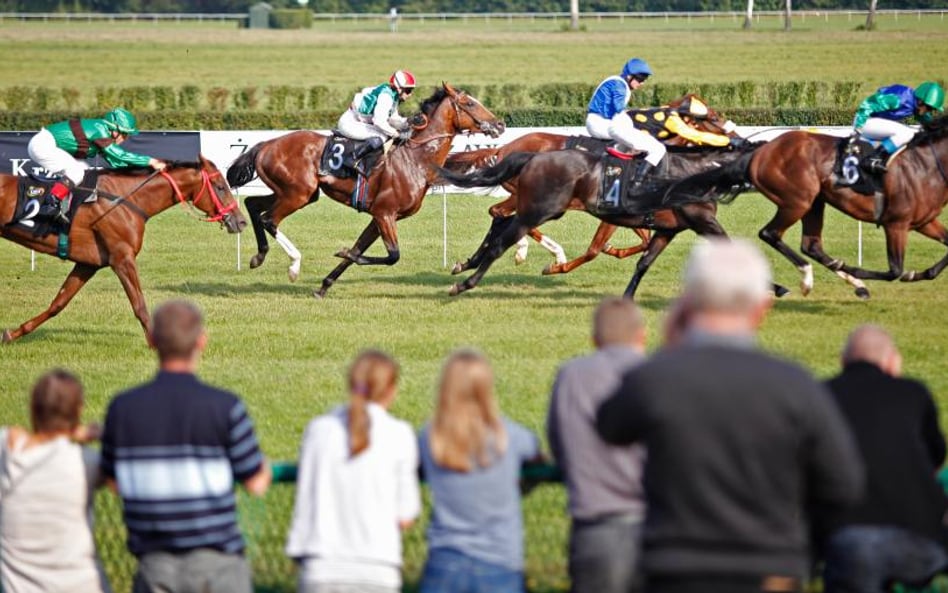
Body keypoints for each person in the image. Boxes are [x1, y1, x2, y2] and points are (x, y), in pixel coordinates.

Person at [596, 238, 865, 593]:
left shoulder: (656, 378)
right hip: (770, 568)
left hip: (675, 567)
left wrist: (673, 347)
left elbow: (609, 426)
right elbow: (844, 483)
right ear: (761, 309)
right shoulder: (795, 385)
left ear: (687, 305)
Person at [100, 299, 271, 593]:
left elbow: (113, 483)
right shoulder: (225, 407)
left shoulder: (122, 409)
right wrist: (264, 466)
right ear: (201, 342)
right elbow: (256, 483)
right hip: (219, 570)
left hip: (155, 569)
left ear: (151, 340)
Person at [820, 324, 948, 593]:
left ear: (843, 362)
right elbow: (935, 456)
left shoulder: (822, 395)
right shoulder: (913, 392)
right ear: (892, 362)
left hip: (848, 540)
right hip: (920, 536)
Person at [286, 349, 421, 593]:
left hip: (321, 568)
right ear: (391, 390)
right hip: (378, 569)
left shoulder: (318, 430)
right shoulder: (399, 435)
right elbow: (406, 514)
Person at [418, 349, 542, 593]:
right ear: (487, 387)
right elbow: (536, 457)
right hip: (500, 563)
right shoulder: (511, 437)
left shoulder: (430, 437)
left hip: (444, 563)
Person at [546, 297, 648, 593]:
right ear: (642, 336)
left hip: (594, 531)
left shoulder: (571, 376)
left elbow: (558, 442)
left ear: (594, 340)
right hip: (656, 526)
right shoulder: (657, 373)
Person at [0, 369, 111, 593]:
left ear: (32, 409)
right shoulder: (86, 462)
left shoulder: (8, 454)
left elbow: (12, 435)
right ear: (79, 411)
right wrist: (95, 433)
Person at [26, 107, 167, 225]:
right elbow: (120, 155)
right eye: (124, 134)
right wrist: (151, 162)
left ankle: (65, 206)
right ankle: (49, 206)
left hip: (44, 143)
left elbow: (117, 163)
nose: (126, 138)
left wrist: (142, 172)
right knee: (76, 171)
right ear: (114, 130)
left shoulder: (102, 131)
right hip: (42, 145)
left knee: (81, 168)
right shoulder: (100, 131)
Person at [586, 58, 665, 190]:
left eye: (644, 80)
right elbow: (618, 109)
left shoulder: (617, 82)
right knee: (658, 149)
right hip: (602, 124)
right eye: (640, 79)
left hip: (599, 122)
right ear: (629, 76)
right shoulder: (619, 85)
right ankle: (637, 183)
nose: (642, 83)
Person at [853, 81, 945, 172]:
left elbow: (929, 123)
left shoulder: (915, 105)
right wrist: (859, 124)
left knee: (909, 134)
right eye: (929, 108)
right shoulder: (899, 99)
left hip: (874, 125)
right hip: (864, 122)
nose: (930, 111)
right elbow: (869, 103)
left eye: (932, 109)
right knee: (906, 133)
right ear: (920, 101)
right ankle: (874, 158)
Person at [337, 70, 416, 175]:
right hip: (349, 123)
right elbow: (379, 121)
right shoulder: (386, 97)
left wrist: (408, 122)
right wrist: (396, 134)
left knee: (386, 133)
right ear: (399, 88)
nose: (410, 94)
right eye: (408, 90)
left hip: (359, 122)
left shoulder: (393, 96)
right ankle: (351, 159)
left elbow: (392, 119)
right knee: (381, 136)